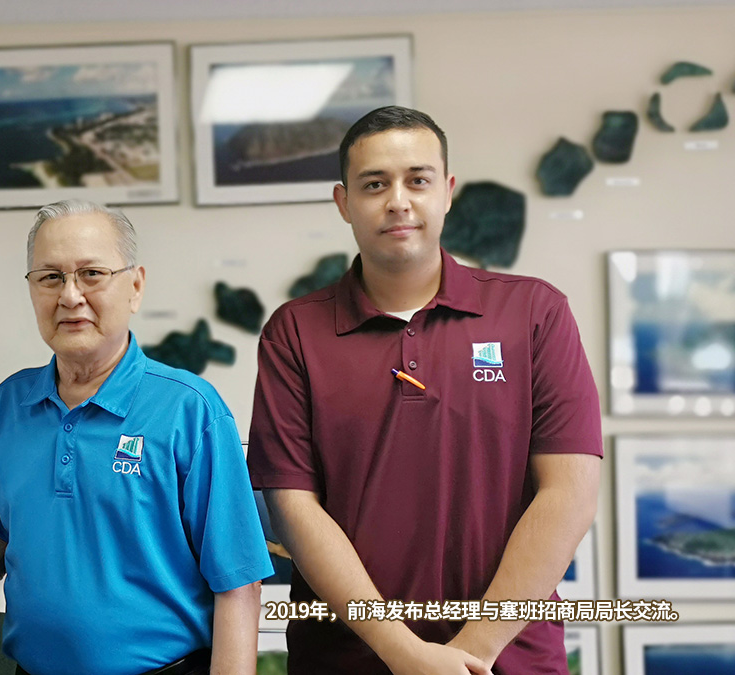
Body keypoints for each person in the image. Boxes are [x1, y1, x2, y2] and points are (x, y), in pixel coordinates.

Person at [247, 106, 602, 675]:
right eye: (374, 185)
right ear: (343, 202)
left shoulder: (536, 312)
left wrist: (473, 652)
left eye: (418, 180)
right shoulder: (295, 331)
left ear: (447, 191)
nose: (398, 201)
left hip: (509, 659)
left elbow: (570, 495)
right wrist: (404, 653)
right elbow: (293, 508)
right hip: (347, 661)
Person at [0, 199, 273, 675]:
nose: (70, 296)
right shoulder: (7, 406)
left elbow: (239, 584)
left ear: (135, 286)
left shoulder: (190, 409)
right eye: (50, 277)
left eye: (91, 274)